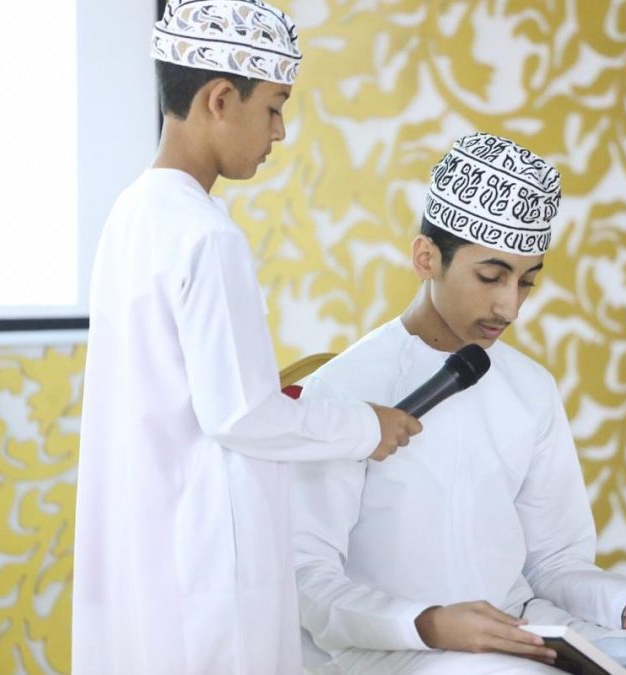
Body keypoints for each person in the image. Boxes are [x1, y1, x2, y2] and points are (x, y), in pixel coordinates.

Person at [289, 133, 626, 674]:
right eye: (491, 276)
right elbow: (307, 579)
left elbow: (553, 560)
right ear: (426, 258)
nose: (510, 307)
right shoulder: (340, 392)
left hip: (523, 628)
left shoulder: (531, 387)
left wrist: (624, 605)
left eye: (526, 282)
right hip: (397, 649)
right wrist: (429, 623)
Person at [71, 1, 420, 673]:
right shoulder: (207, 234)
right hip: (204, 566)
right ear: (220, 100)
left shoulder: (132, 211)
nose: (280, 131)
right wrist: (366, 425)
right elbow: (240, 414)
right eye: (274, 108)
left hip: (147, 556)